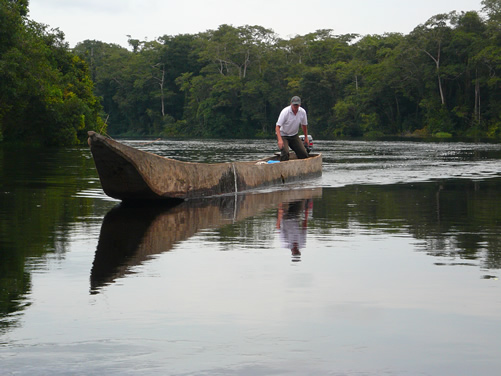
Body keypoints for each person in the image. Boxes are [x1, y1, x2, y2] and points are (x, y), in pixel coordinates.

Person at [275, 96, 309, 161]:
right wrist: (280, 140)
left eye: (297, 105)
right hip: (283, 135)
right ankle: (283, 167)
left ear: (299, 104)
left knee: (303, 154)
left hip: (294, 135)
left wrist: (306, 137)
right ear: (291, 104)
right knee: (285, 152)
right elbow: (277, 127)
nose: (295, 107)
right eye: (294, 105)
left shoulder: (302, 112)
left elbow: (304, 125)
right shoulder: (285, 112)